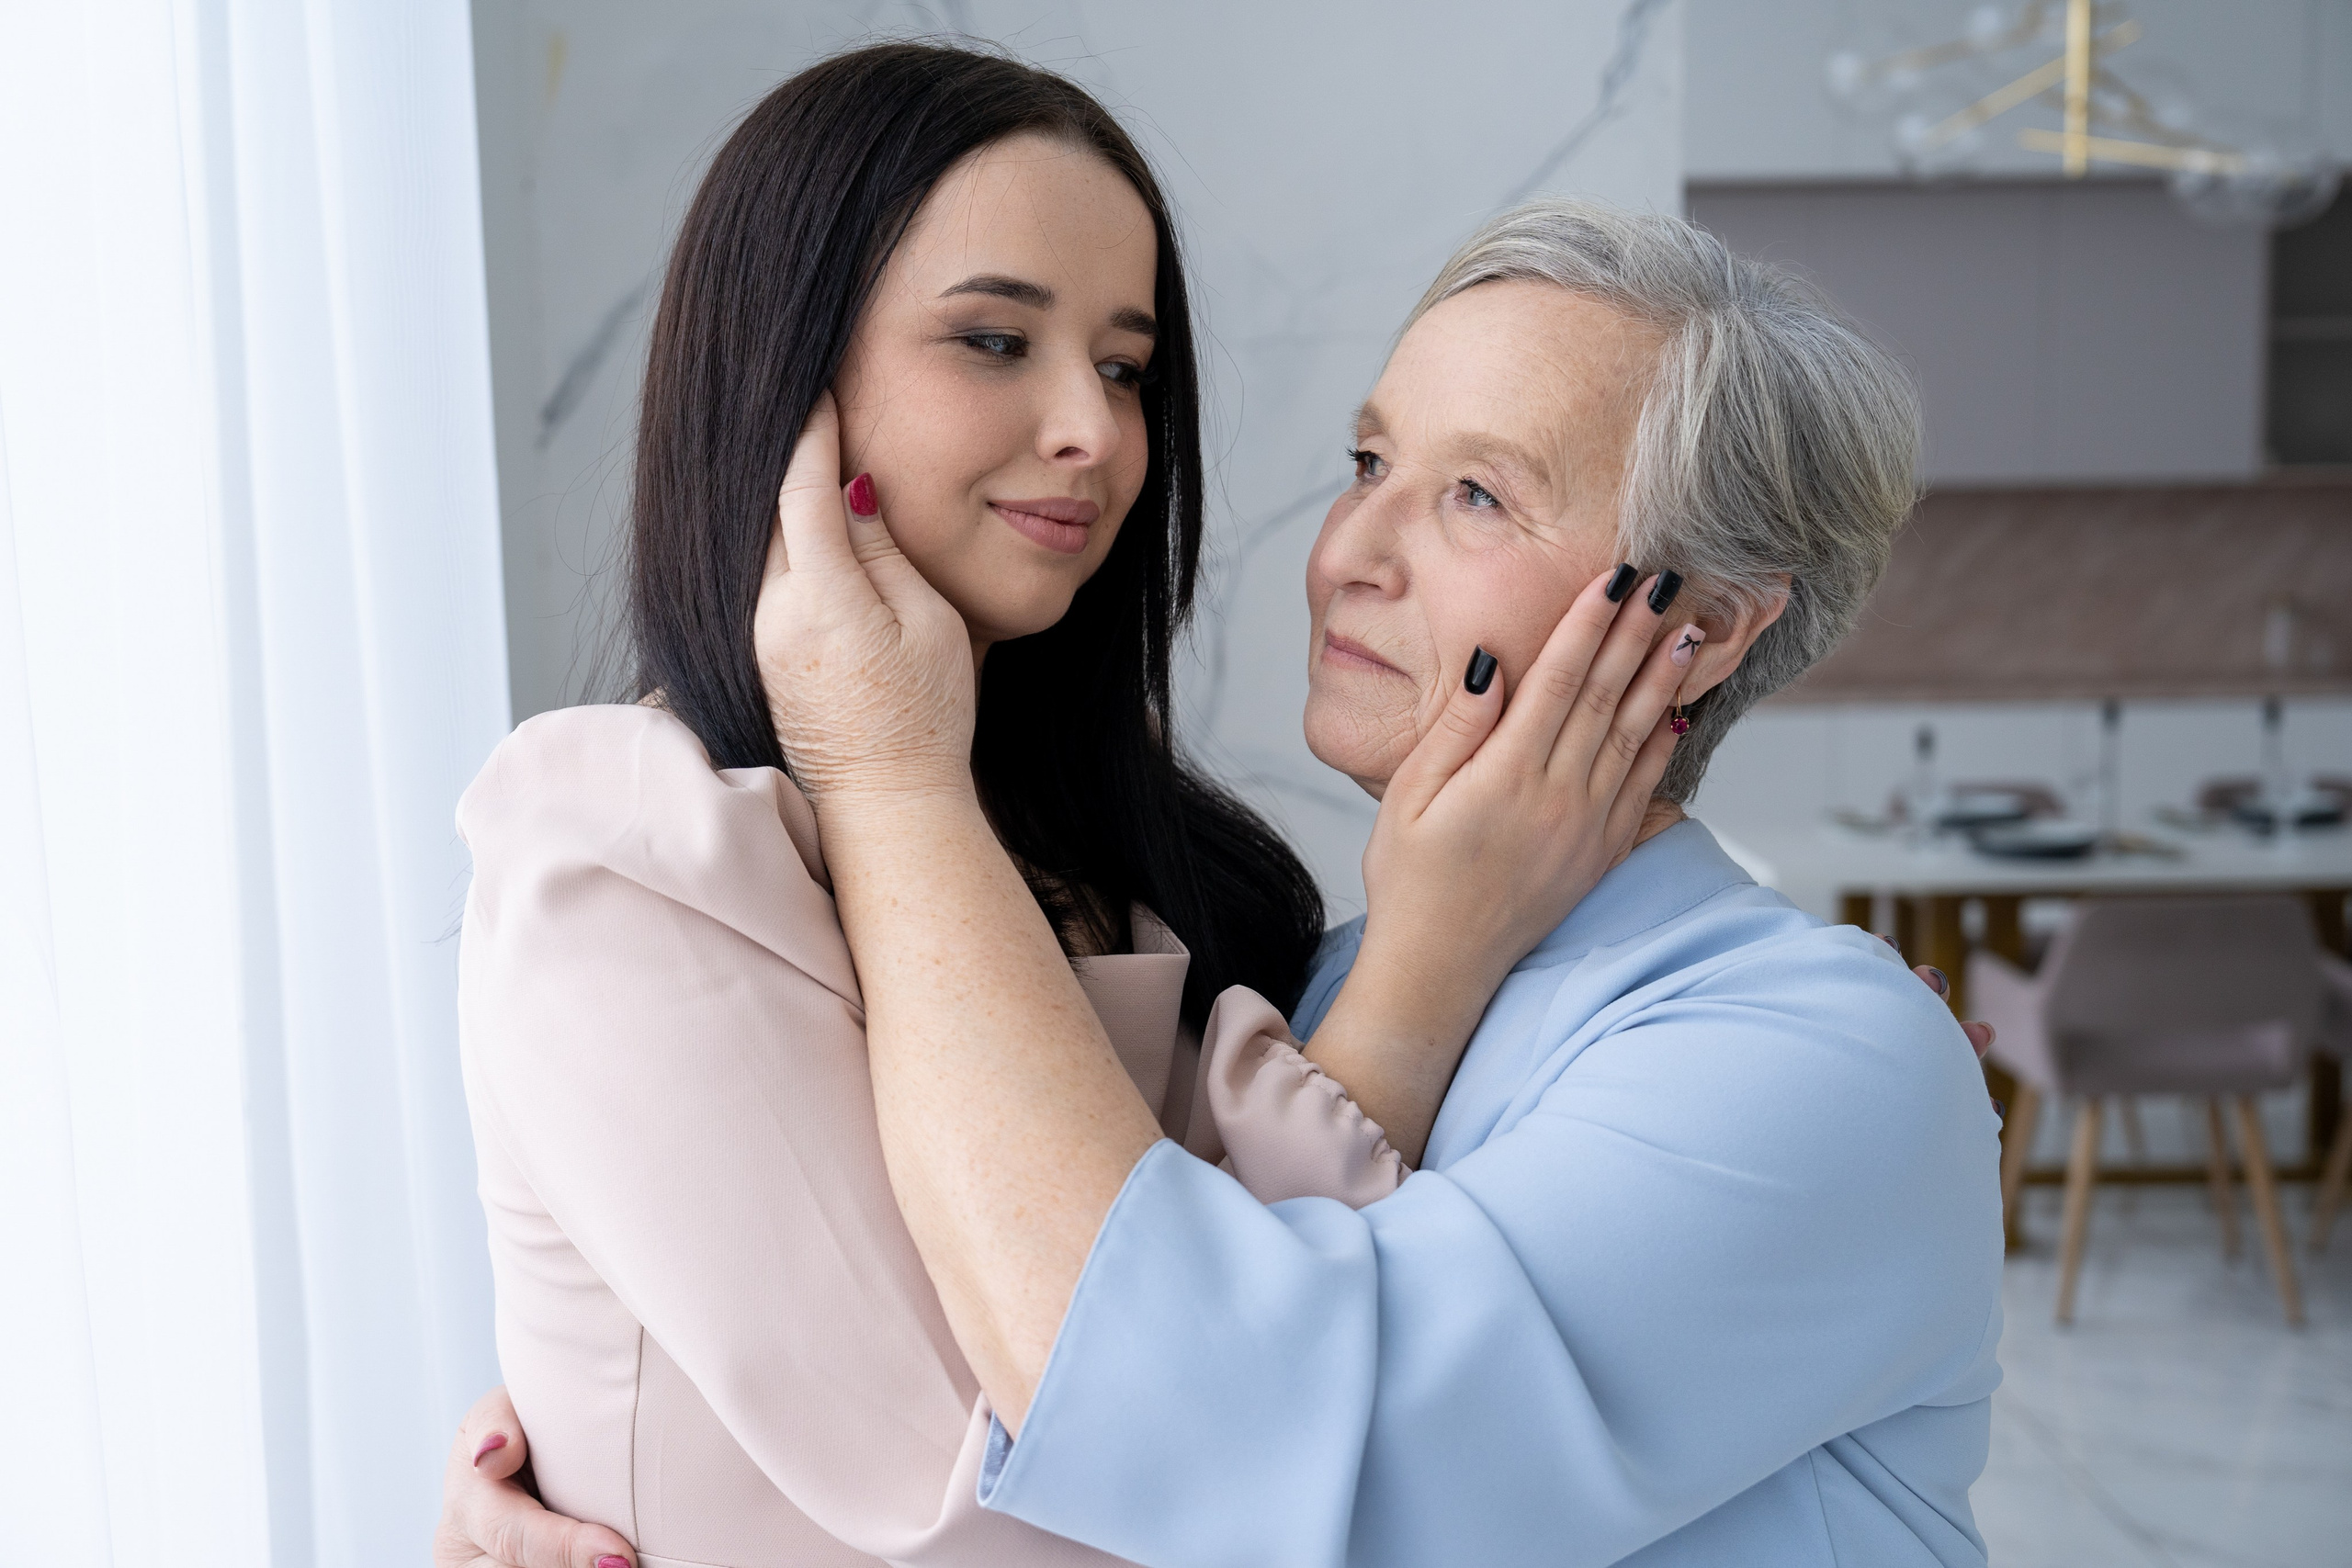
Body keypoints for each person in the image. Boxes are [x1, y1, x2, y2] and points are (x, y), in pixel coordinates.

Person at [439, 45, 2003, 1568]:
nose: (1347, 554)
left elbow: (1197, 1447)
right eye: (1369, 459)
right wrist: (615, 1429)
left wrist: (892, 770)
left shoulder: (1815, 1058)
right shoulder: (1301, 974)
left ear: (1704, 630)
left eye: (1475, 494)